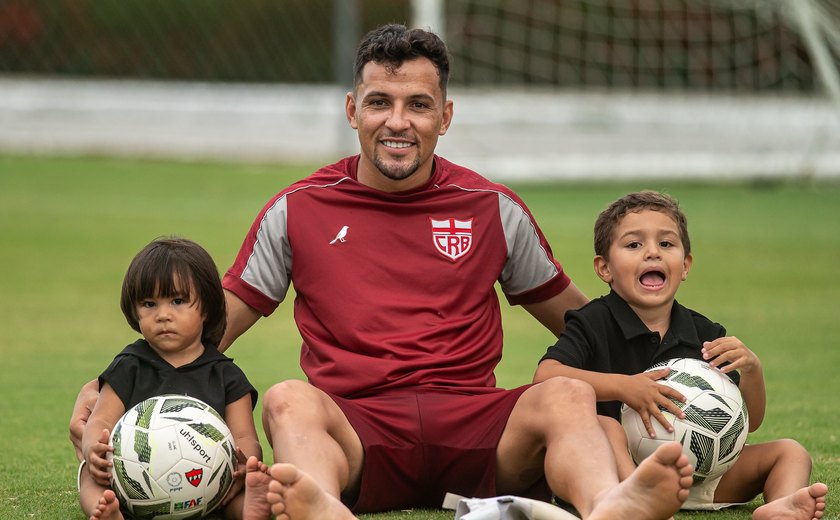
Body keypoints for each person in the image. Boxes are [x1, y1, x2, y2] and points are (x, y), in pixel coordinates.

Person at [72, 24, 695, 520]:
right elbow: (203, 339)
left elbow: (592, 323)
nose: (397, 121)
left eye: (418, 105)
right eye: (380, 103)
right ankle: (320, 505)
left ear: (444, 117)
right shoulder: (298, 209)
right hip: (357, 431)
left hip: (477, 425)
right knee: (289, 400)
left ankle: (610, 507)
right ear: (352, 109)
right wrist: (112, 389)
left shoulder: (492, 208)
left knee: (567, 393)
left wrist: (688, 378)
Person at [533, 191, 828, 520]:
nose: (652, 253)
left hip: (703, 473)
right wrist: (623, 387)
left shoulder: (705, 333)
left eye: (666, 244)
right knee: (606, 425)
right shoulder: (592, 322)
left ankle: (780, 505)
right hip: (618, 469)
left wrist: (752, 372)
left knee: (789, 451)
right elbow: (546, 376)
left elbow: (750, 422)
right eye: (634, 245)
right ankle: (637, 498)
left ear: (685, 265)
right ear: (604, 268)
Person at [77, 237, 271, 520]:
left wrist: (248, 463)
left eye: (178, 301)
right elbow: (100, 420)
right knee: (89, 476)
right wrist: (93, 447)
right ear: (134, 310)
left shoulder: (226, 375)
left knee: (237, 491)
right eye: (149, 304)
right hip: (136, 483)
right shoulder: (130, 365)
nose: (163, 315)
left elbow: (244, 436)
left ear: (206, 307)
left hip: (207, 489)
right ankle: (107, 510)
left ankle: (250, 509)